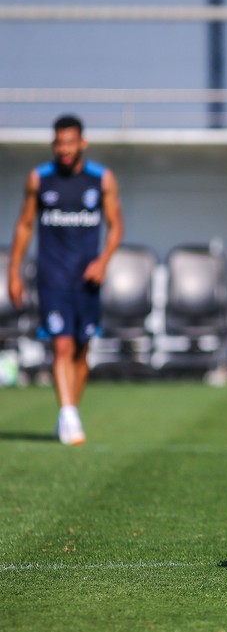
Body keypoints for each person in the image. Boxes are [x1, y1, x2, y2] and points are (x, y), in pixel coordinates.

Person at [7, 114, 123, 445]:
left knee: (82, 350)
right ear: (53, 144)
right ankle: (69, 415)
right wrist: (13, 271)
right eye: (59, 143)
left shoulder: (101, 179)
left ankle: (69, 410)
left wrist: (103, 261)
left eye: (70, 142)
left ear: (82, 143)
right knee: (62, 344)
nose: (64, 149)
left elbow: (116, 225)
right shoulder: (39, 179)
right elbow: (25, 225)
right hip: (52, 275)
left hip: (87, 279)